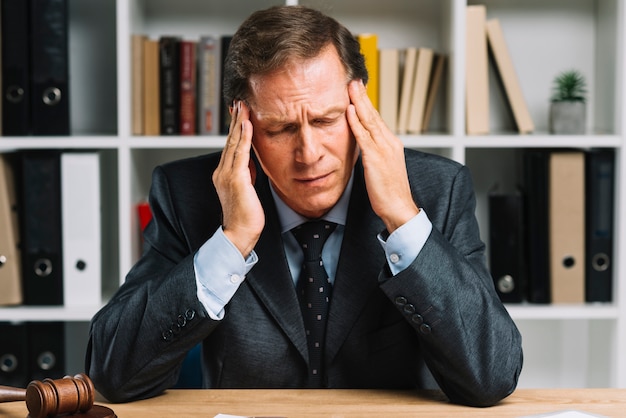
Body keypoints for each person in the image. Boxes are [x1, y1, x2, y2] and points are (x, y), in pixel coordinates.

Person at [86, 5, 523, 407]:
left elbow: (491, 377)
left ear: (360, 104)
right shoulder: (188, 193)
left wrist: (404, 220)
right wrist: (232, 239)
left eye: (326, 120)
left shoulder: (435, 189)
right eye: (280, 129)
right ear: (243, 124)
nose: (309, 152)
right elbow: (113, 374)